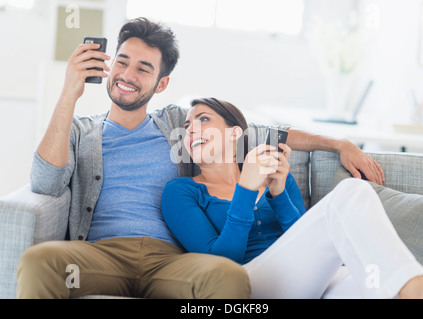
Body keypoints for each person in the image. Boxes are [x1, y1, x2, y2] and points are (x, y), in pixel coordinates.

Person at [17, 17, 384, 299]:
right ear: (110, 66)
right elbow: (45, 182)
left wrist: (338, 143)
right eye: (123, 62)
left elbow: (264, 132)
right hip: (101, 254)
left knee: (228, 276)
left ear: (161, 84)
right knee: (38, 261)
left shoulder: (181, 128)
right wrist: (69, 93)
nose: (128, 75)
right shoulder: (82, 132)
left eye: (143, 68)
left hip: (173, 259)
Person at [161, 97, 423, 299]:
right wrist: (246, 190)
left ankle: (415, 287)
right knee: (352, 191)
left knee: (380, 287)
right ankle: (419, 286)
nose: (191, 130)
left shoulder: (273, 173)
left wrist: (278, 191)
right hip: (251, 282)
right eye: (186, 127)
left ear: (235, 132)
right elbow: (222, 263)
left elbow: (307, 236)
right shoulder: (181, 191)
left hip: (311, 281)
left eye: (202, 119)